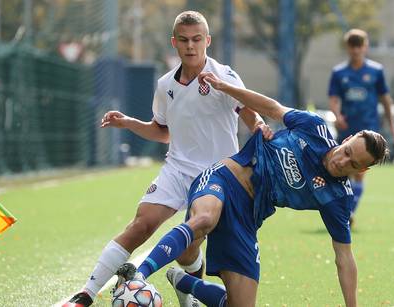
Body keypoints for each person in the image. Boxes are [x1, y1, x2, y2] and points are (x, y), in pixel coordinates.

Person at [117, 71, 390, 307]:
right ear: (347, 138)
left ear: (361, 171)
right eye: (346, 151)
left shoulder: (337, 198)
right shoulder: (315, 128)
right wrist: (226, 88)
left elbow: (344, 257)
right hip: (225, 178)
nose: (341, 160)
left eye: (351, 163)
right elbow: (271, 107)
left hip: (248, 217)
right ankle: (138, 275)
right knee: (205, 220)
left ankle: (183, 281)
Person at [62, 11, 270, 307]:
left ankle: (185, 288)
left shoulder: (224, 75)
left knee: (188, 251)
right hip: (177, 169)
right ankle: (86, 294)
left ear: (207, 41)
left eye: (197, 39)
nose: (191, 46)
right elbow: (163, 131)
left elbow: (246, 108)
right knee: (141, 225)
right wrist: (129, 122)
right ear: (174, 42)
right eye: (184, 40)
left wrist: (259, 125)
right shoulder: (165, 85)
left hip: (216, 176)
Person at [328, 28, 394, 225]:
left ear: (365, 47)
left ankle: (348, 212)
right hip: (347, 131)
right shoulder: (339, 73)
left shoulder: (376, 71)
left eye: (359, 46)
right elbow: (333, 99)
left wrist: (393, 126)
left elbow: (386, 100)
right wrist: (336, 115)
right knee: (342, 169)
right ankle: (344, 209)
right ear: (348, 48)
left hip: (368, 130)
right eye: (352, 46)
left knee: (359, 171)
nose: (356, 50)